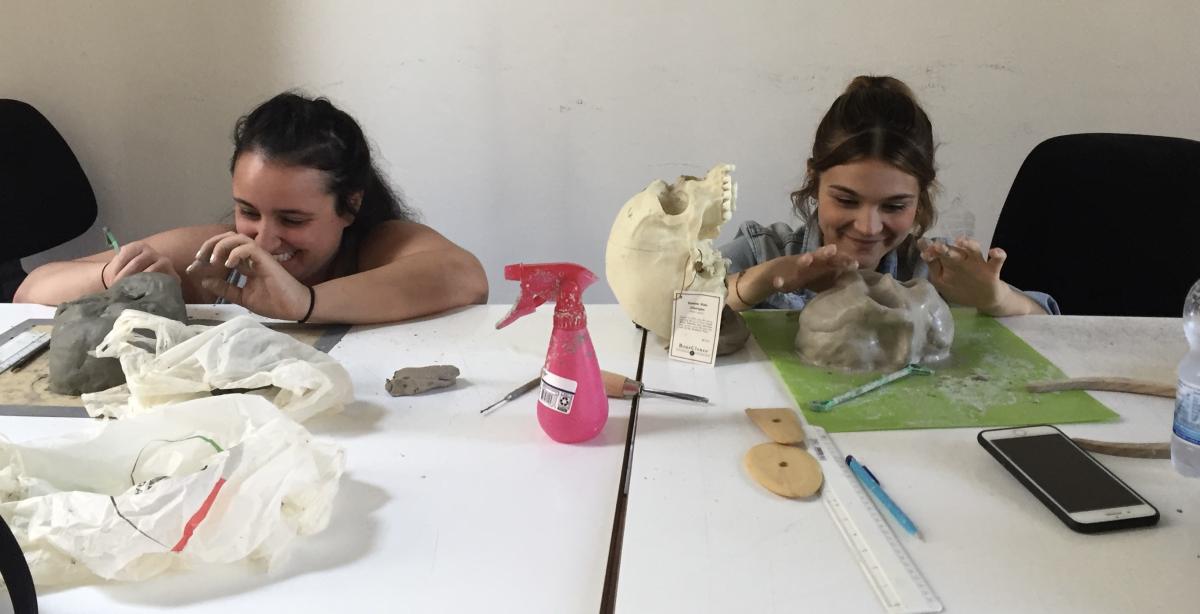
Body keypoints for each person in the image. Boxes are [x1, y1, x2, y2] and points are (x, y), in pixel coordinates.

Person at [15, 92, 488, 323]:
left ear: (350, 204)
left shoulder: (378, 244)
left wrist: (303, 303)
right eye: (249, 211)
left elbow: (465, 278)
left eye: (293, 219)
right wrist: (110, 278)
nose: (263, 239)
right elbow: (29, 292)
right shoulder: (213, 257)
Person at [720, 75, 1057, 316]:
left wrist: (995, 300)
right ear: (815, 180)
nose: (868, 227)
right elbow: (673, 318)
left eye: (894, 205)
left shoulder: (935, 274)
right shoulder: (762, 250)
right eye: (847, 200)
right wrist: (761, 281)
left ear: (921, 196)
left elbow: (1055, 332)